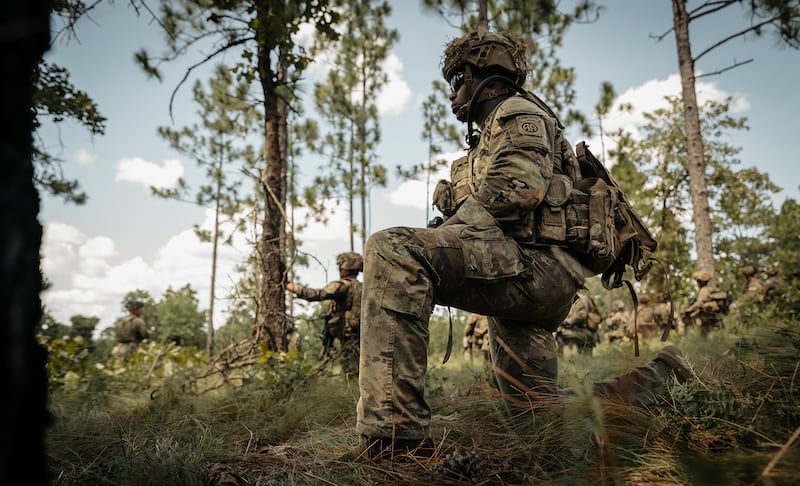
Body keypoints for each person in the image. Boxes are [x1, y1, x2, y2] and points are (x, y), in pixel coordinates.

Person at [346, 28, 694, 461]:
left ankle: (394, 442)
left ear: (480, 76)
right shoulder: (491, 133)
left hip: (537, 269)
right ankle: (662, 376)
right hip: (522, 272)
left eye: (456, 82)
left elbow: (516, 189)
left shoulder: (516, 113)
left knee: (393, 249)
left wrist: (447, 229)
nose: (453, 96)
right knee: (533, 416)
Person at [285, 252, 363, 376]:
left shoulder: (342, 286)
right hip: (359, 334)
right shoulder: (362, 287)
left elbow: (316, 294)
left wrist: (289, 286)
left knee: (351, 373)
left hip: (348, 335)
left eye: (340, 267)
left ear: (344, 268)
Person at [683, 270, 724, 336]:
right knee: (706, 331)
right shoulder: (707, 289)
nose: (697, 283)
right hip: (709, 315)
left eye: (697, 282)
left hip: (706, 315)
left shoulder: (704, 291)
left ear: (700, 282)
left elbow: (699, 303)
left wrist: (689, 310)